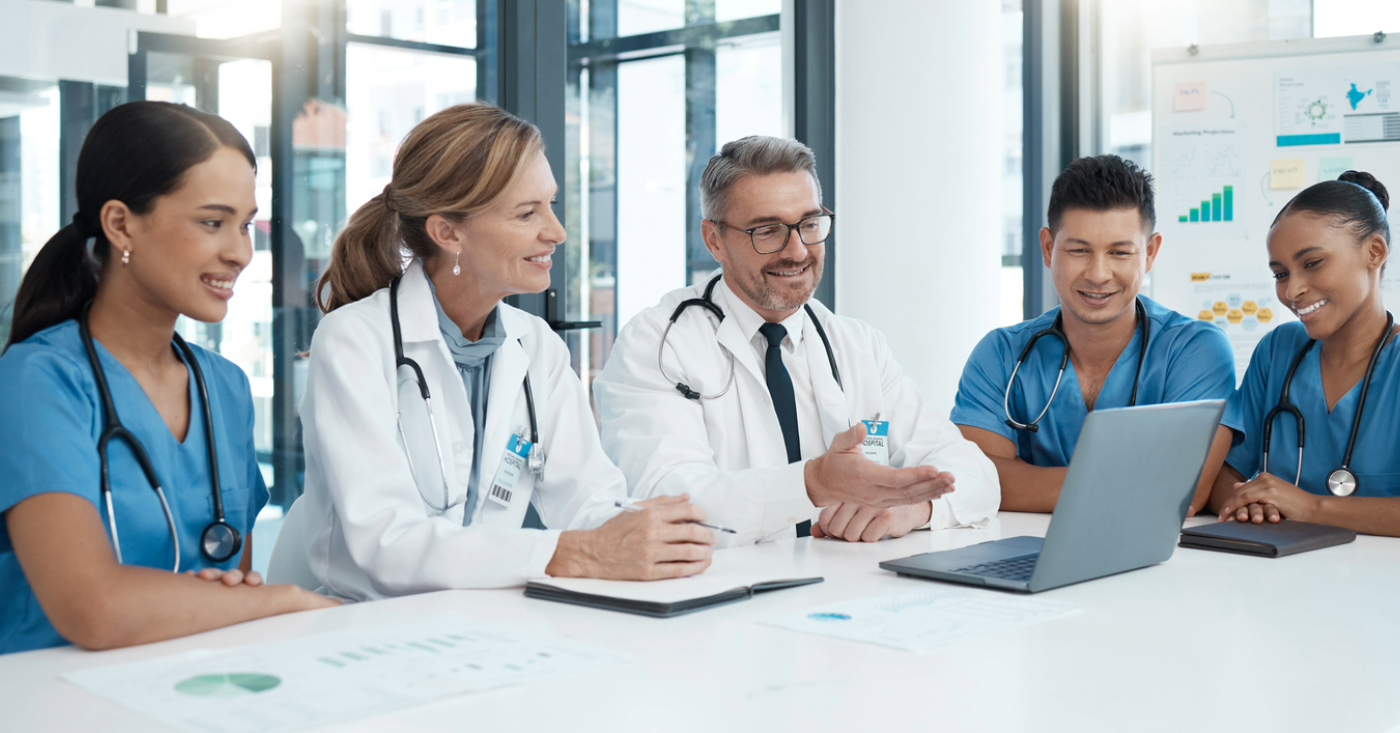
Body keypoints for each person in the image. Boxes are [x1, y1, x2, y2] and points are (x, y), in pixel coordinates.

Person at [299, 103, 714, 600]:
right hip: (371, 619)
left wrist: (653, 532)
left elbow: (589, 501)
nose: (557, 232)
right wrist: (580, 553)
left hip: (487, 614)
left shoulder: (537, 346)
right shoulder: (354, 341)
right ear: (448, 232)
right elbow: (389, 544)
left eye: (552, 204)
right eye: (527, 213)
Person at [0, 102, 338, 654]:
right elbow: (94, 610)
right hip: (48, 689)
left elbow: (232, 588)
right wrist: (283, 601)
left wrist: (244, 606)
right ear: (120, 224)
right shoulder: (37, 382)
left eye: (245, 225)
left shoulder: (224, 388)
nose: (241, 252)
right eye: (212, 222)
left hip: (189, 682)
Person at [593, 136, 998, 545]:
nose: (798, 251)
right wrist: (813, 484)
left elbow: (975, 473)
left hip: (847, 579)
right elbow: (666, 500)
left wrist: (912, 509)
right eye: (767, 231)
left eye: (809, 224)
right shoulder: (658, 344)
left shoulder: (857, 345)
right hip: (724, 582)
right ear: (714, 240)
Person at [952, 155, 1236, 514]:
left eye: (1120, 252)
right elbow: (971, 480)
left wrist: (1020, 482)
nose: (1098, 274)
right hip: (1017, 546)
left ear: (1150, 253)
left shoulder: (1195, 351)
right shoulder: (1000, 354)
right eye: (1079, 250)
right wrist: (1134, 482)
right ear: (1048, 248)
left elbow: (1182, 491)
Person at [1211, 172, 1400, 535]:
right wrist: (1252, 506)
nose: (1292, 290)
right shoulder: (1277, 351)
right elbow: (1223, 474)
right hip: (1279, 563)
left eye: (1312, 263)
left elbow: (1302, 506)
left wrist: (1310, 507)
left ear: (1374, 252)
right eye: (1280, 274)